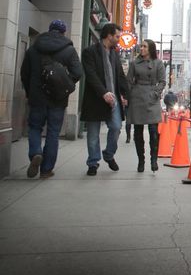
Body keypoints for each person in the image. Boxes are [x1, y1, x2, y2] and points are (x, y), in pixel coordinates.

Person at [20, 19, 82, 179]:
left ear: (49, 30)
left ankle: (35, 153)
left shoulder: (34, 49)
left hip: (37, 98)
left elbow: (24, 73)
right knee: (53, 133)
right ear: (63, 32)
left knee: (34, 128)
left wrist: (29, 91)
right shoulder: (69, 50)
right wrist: (64, 84)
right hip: (58, 100)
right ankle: (46, 170)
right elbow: (78, 73)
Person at [80, 23, 130, 176]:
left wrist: (125, 95)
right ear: (108, 35)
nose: (119, 39)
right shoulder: (89, 52)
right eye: (117, 36)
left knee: (115, 127)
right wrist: (103, 93)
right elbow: (91, 75)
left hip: (113, 99)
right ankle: (93, 162)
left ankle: (109, 154)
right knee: (93, 134)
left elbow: (120, 76)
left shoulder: (115, 54)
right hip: (95, 98)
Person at [127, 39, 166, 172]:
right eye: (141, 46)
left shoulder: (158, 63)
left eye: (144, 46)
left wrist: (156, 93)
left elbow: (162, 81)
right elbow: (128, 81)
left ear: (150, 49)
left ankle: (153, 160)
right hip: (137, 97)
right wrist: (130, 95)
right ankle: (141, 161)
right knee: (138, 132)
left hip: (152, 98)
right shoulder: (134, 63)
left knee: (154, 131)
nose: (141, 48)